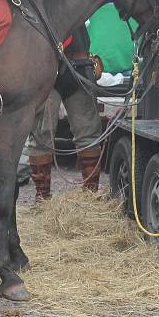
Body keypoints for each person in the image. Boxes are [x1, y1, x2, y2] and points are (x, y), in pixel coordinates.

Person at [27, 24, 104, 202]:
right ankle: (43, 198)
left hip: (79, 65)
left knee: (89, 131)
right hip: (44, 65)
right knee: (41, 134)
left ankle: (91, 197)